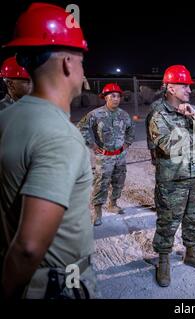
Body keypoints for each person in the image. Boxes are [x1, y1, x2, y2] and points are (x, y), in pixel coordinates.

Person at [0, 2, 96, 299]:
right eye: (81, 60)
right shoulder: (59, 135)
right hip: (51, 286)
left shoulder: (7, 117)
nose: (82, 70)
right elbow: (29, 248)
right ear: (68, 62)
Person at [149, 65, 195, 287]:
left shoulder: (191, 111)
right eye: (184, 85)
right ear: (170, 88)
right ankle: (164, 259)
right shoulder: (159, 117)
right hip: (172, 181)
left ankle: (191, 252)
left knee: (194, 218)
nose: (189, 90)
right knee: (168, 221)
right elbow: (170, 147)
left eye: (189, 85)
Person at [78, 83, 135, 226]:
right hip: (104, 157)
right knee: (101, 183)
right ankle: (97, 212)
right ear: (105, 97)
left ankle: (113, 204)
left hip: (120, 156)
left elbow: (131, 129)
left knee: (119, 181)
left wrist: (127, 143)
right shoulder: (96, 114)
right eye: (112, 96)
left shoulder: (124, 115)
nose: (116, 99)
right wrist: (91, 144)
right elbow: (81, 127)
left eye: (118, 96)